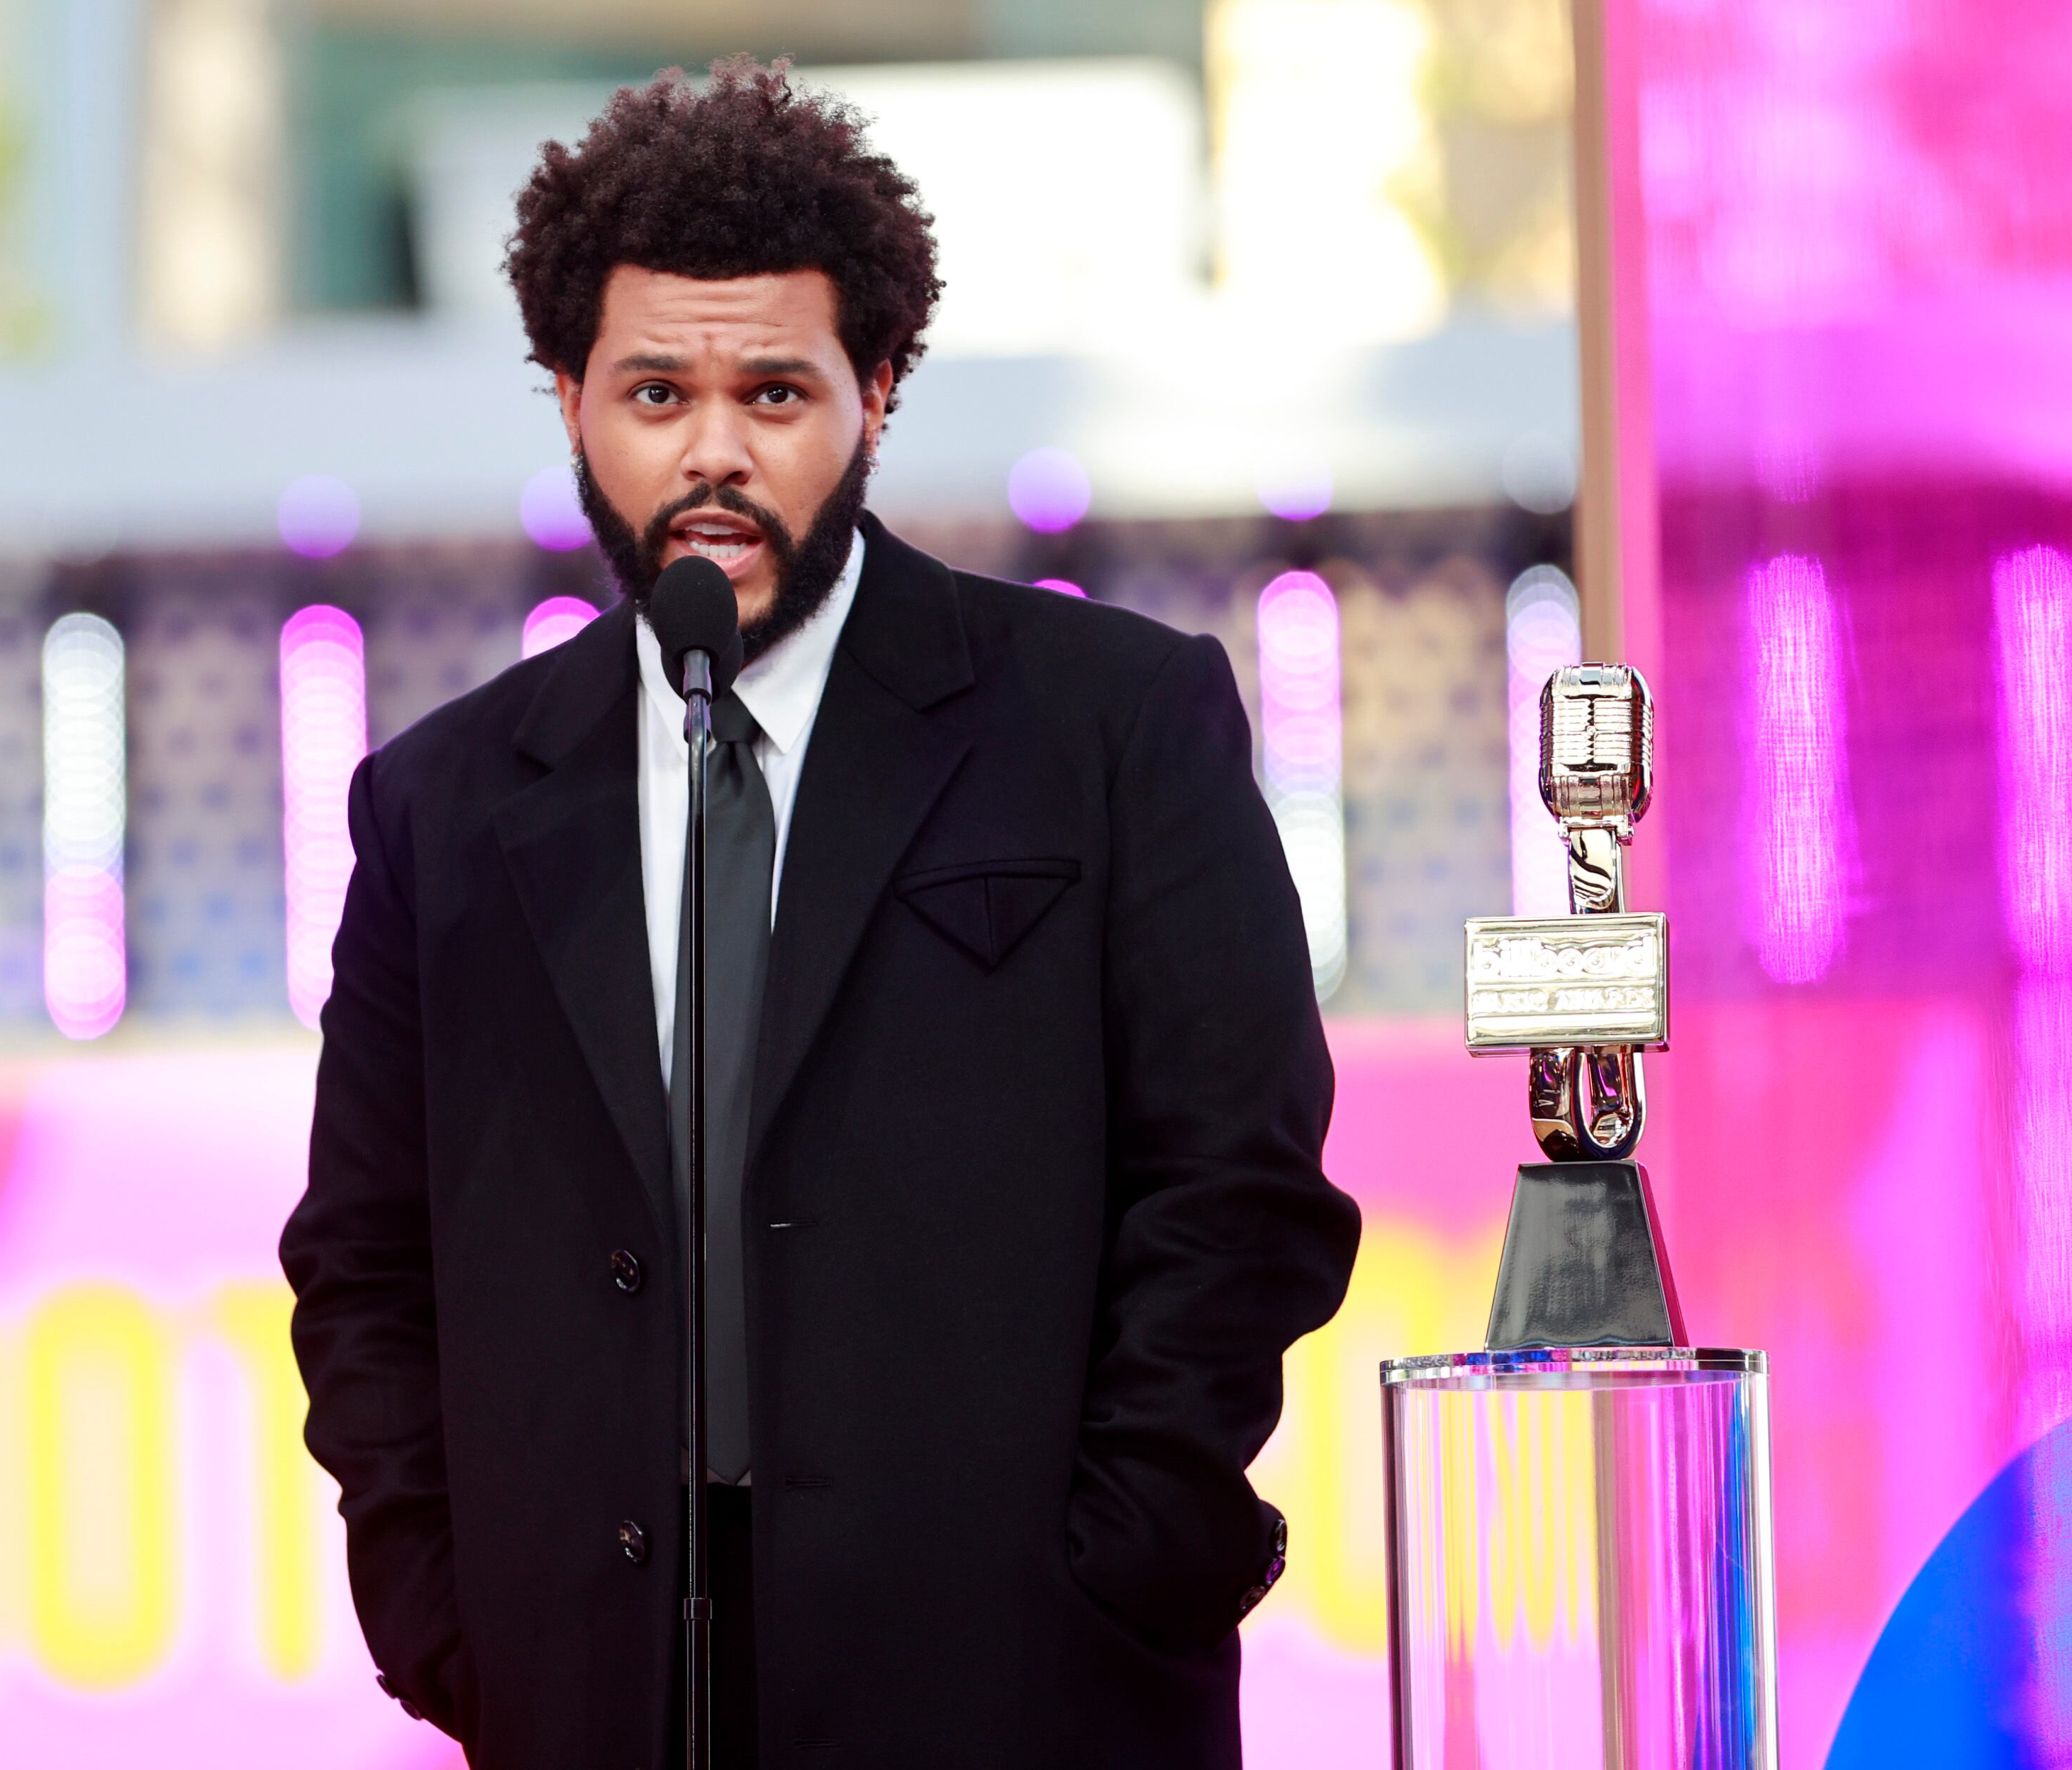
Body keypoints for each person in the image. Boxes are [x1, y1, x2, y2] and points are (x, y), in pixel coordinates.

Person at [282, 56, 1360, 1769]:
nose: (714, 451)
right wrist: (443, 1614)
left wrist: (1124, 1553)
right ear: (567, 399)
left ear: (876, 390)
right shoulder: (443, 808)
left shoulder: (1108, 724)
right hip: (595, 1686)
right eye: (655, 393)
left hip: (1023, 1680)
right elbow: (363, 1263)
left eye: (775, 393)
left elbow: (1237, 1185)